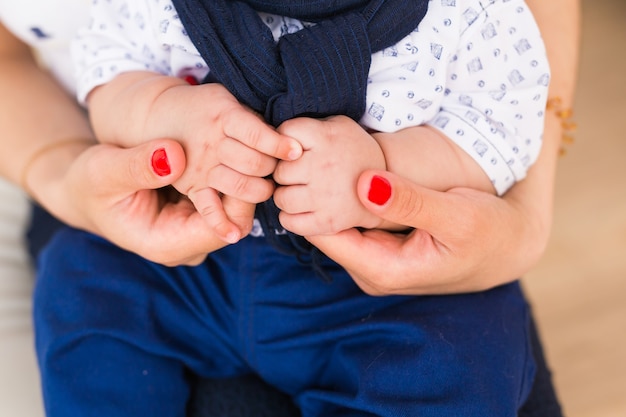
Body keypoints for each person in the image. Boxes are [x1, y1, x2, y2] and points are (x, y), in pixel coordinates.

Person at [0, 0, 579, 415]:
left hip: (380, 287)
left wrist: (388, 163)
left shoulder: (468, 15)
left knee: (467, 354)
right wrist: (162, 112)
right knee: (81, 281)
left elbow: (499, 130)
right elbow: (107, 68)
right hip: (179, 254)